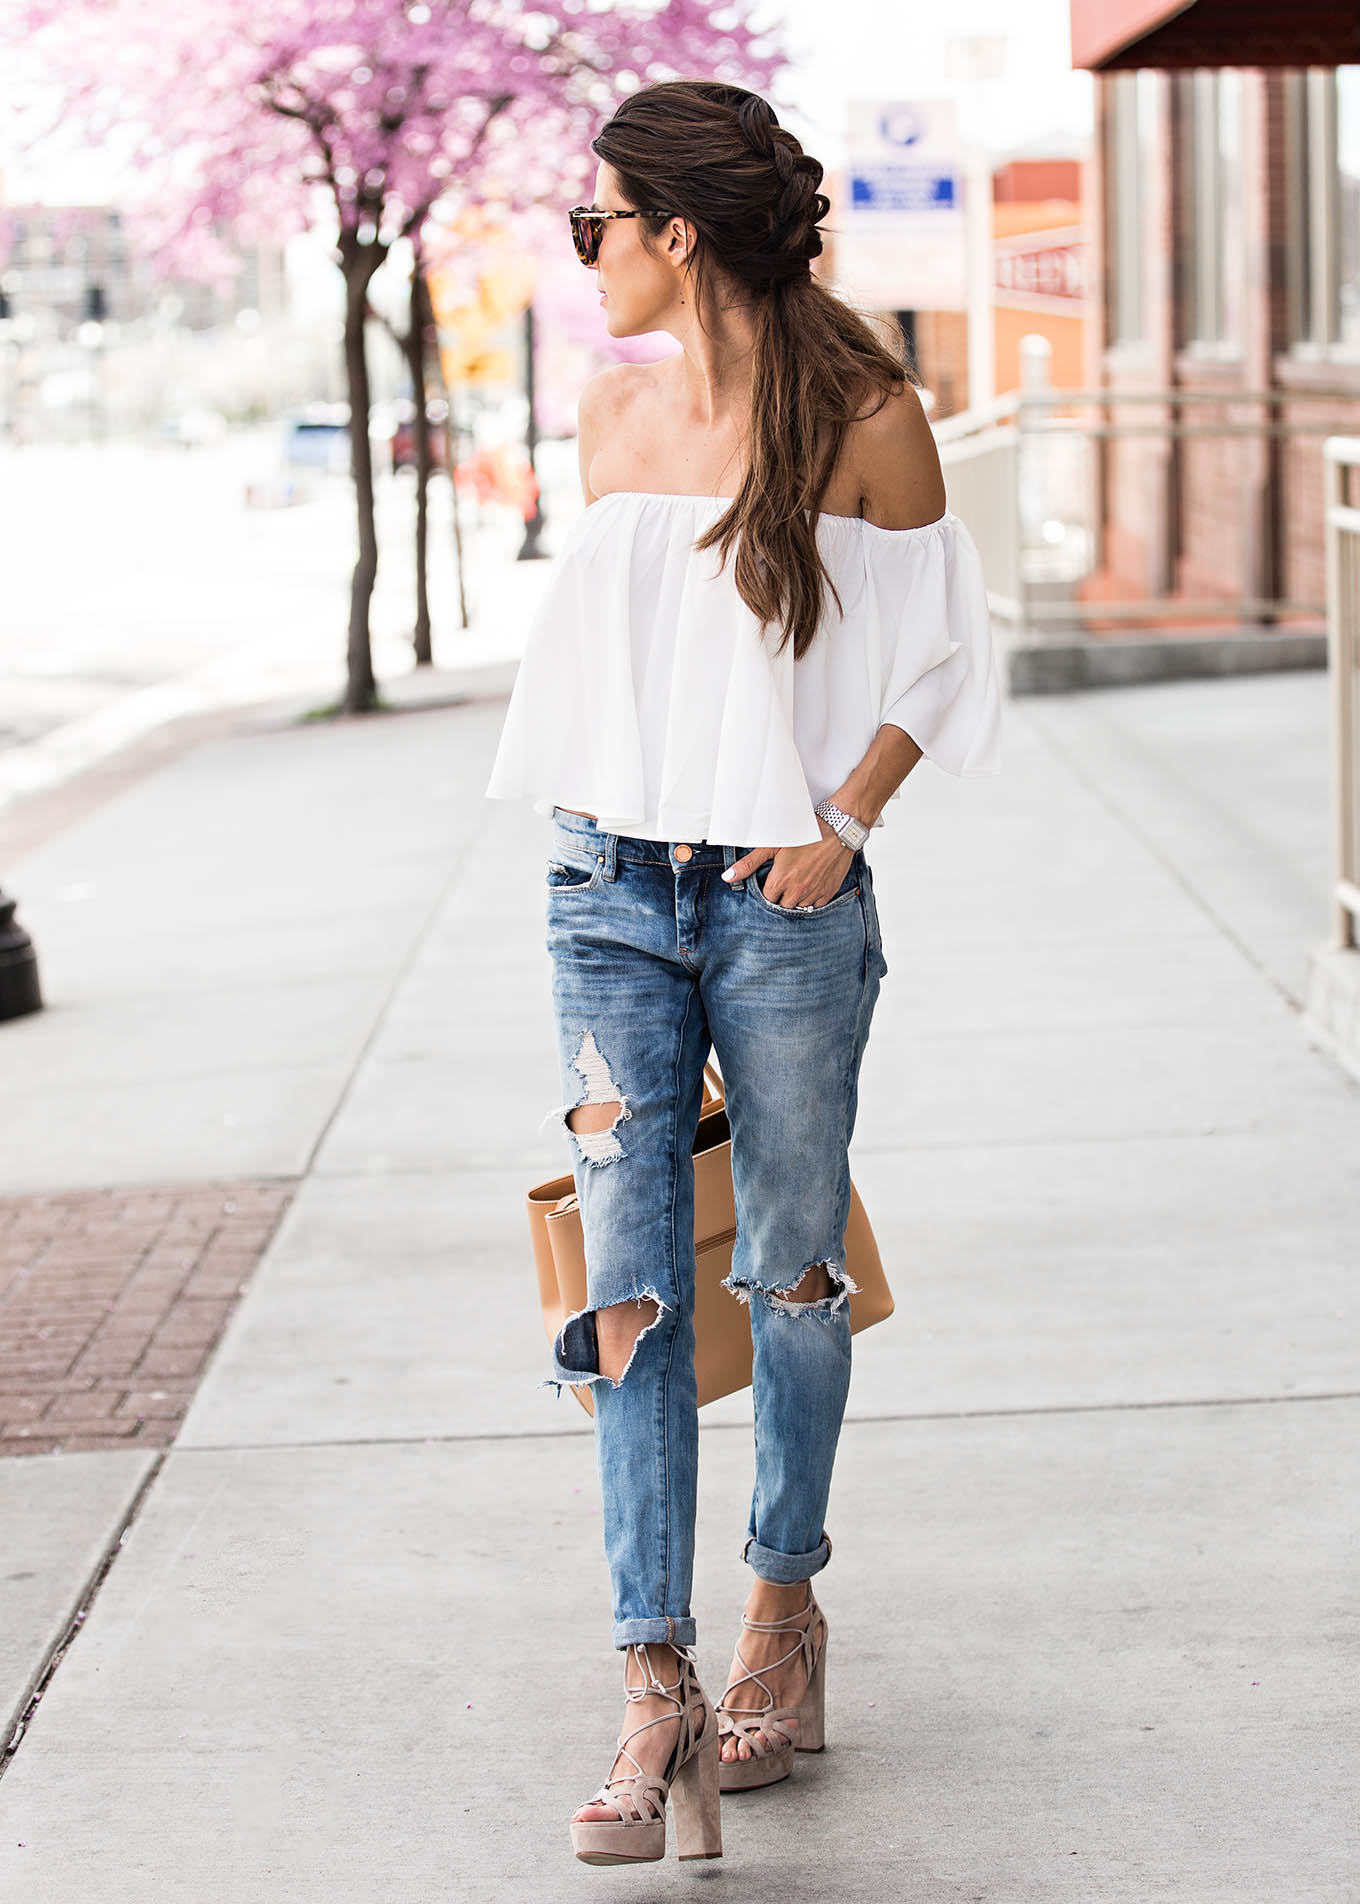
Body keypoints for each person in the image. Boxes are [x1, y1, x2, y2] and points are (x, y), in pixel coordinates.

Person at [485, 78, 1001, 1867]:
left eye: (597, 224)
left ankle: (784, 1612)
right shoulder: (608, 414)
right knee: (628, 1293)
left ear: (676, 233)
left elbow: (942, 656)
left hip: (784, 903)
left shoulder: (868, 418)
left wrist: (844, 820)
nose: (588, 257)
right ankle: (655, 1682)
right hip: (607, 895)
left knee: (788, 1272)